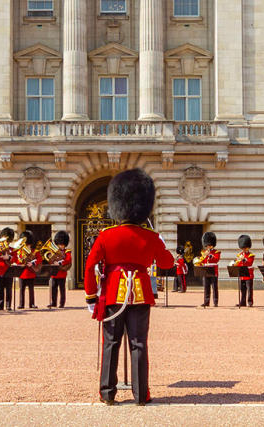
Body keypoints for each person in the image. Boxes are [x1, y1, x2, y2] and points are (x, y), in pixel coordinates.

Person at [83, 168, 175, 406]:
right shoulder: (150, 236)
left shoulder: (106, 235)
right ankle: (140, 394)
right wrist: (161, 243)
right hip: (141, 294)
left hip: (113, 292)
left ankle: (107, 392)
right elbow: (167, 264)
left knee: (111, 343)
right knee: (139, 344)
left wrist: (91, 296)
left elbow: (90, 265)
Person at [0, 228, 14, 311]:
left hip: (9, 271)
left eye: (7, 240)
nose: (6, 242)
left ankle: (8, 305)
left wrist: (9, 257)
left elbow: (16, 259)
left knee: (9, 289)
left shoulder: (12, 249)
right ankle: (0, 305)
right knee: (0, 289)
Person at [47, 230, 72, 308]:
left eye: (62, 245)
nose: (61, 246)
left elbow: (68, 260)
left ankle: (62, 303)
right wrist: (51, 260)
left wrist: (60, 263)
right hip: (54, 273)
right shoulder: (53, 251)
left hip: (61, 273)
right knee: (53, 289)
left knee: (62, 289)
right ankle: (53, 302)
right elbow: (50, 259)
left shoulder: (67, 252)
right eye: (59, 244)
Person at [196, 232, 220, 307]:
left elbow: (216, 259)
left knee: (214, 287)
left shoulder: (216, 252)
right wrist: (199, 261)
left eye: (209, 245)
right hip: (206, 270)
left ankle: (215, 302)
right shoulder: (203, 252)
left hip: (213, 270)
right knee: (206, 287)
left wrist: (209, 255)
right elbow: (202, 261)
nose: (208, 246)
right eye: (207, 245)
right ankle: (206, 302)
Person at [16, 230, 38, 309]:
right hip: (22, 273)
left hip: (31, 272)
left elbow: (39, 259)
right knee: (21, 290)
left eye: (28, 244)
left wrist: (32, 263)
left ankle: (32, 304)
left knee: (31, 290)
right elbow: (17, 260)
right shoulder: (20, 252)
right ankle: (21, 304)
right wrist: (22, 262)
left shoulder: (34, 252)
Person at [233, 234, 255, 308]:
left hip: (248, 274)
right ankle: (242, 302)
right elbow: (238, 263)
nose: (244, 249)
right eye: (243, 248)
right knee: (242, 289)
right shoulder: (239, 255)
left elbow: (250, 262)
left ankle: (250, 302)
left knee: (249, 289)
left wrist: (244, 260)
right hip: (242, 274)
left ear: (248, 247)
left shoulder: (251, 255)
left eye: (245, 248)